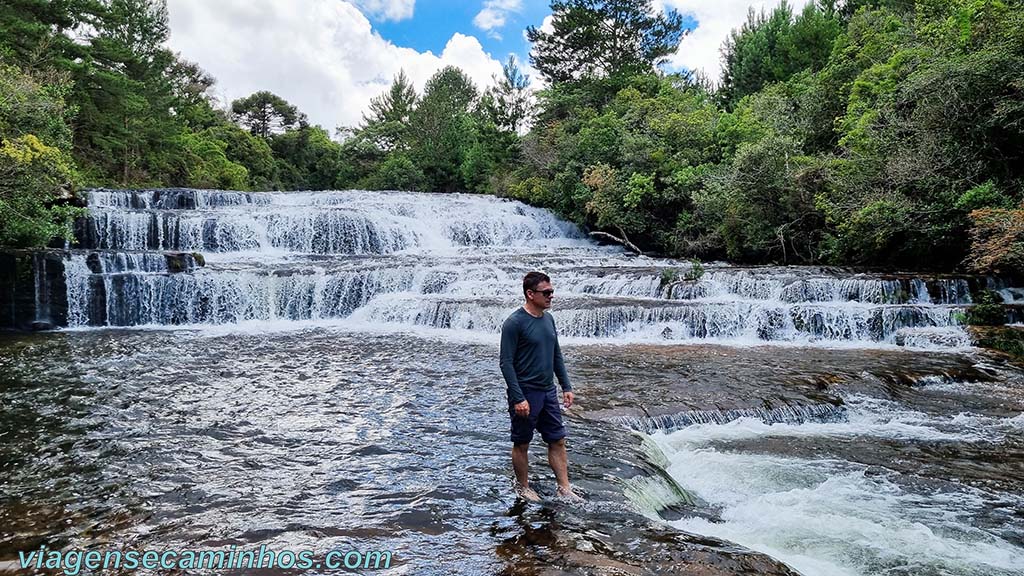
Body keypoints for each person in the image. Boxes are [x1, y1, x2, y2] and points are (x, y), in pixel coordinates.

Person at [499, 271, 582, 502]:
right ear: (530, 294)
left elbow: (556, 354)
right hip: (526, 392)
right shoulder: (514, 323)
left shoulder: (549, 319)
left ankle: (564, 488)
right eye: (546, 293)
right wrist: (518, 397)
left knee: (558, 439)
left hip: (548, 392)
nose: (551, 296)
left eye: (552, 292)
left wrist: (566, 386)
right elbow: (506, 363)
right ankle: (523, 487)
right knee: (522, 442)